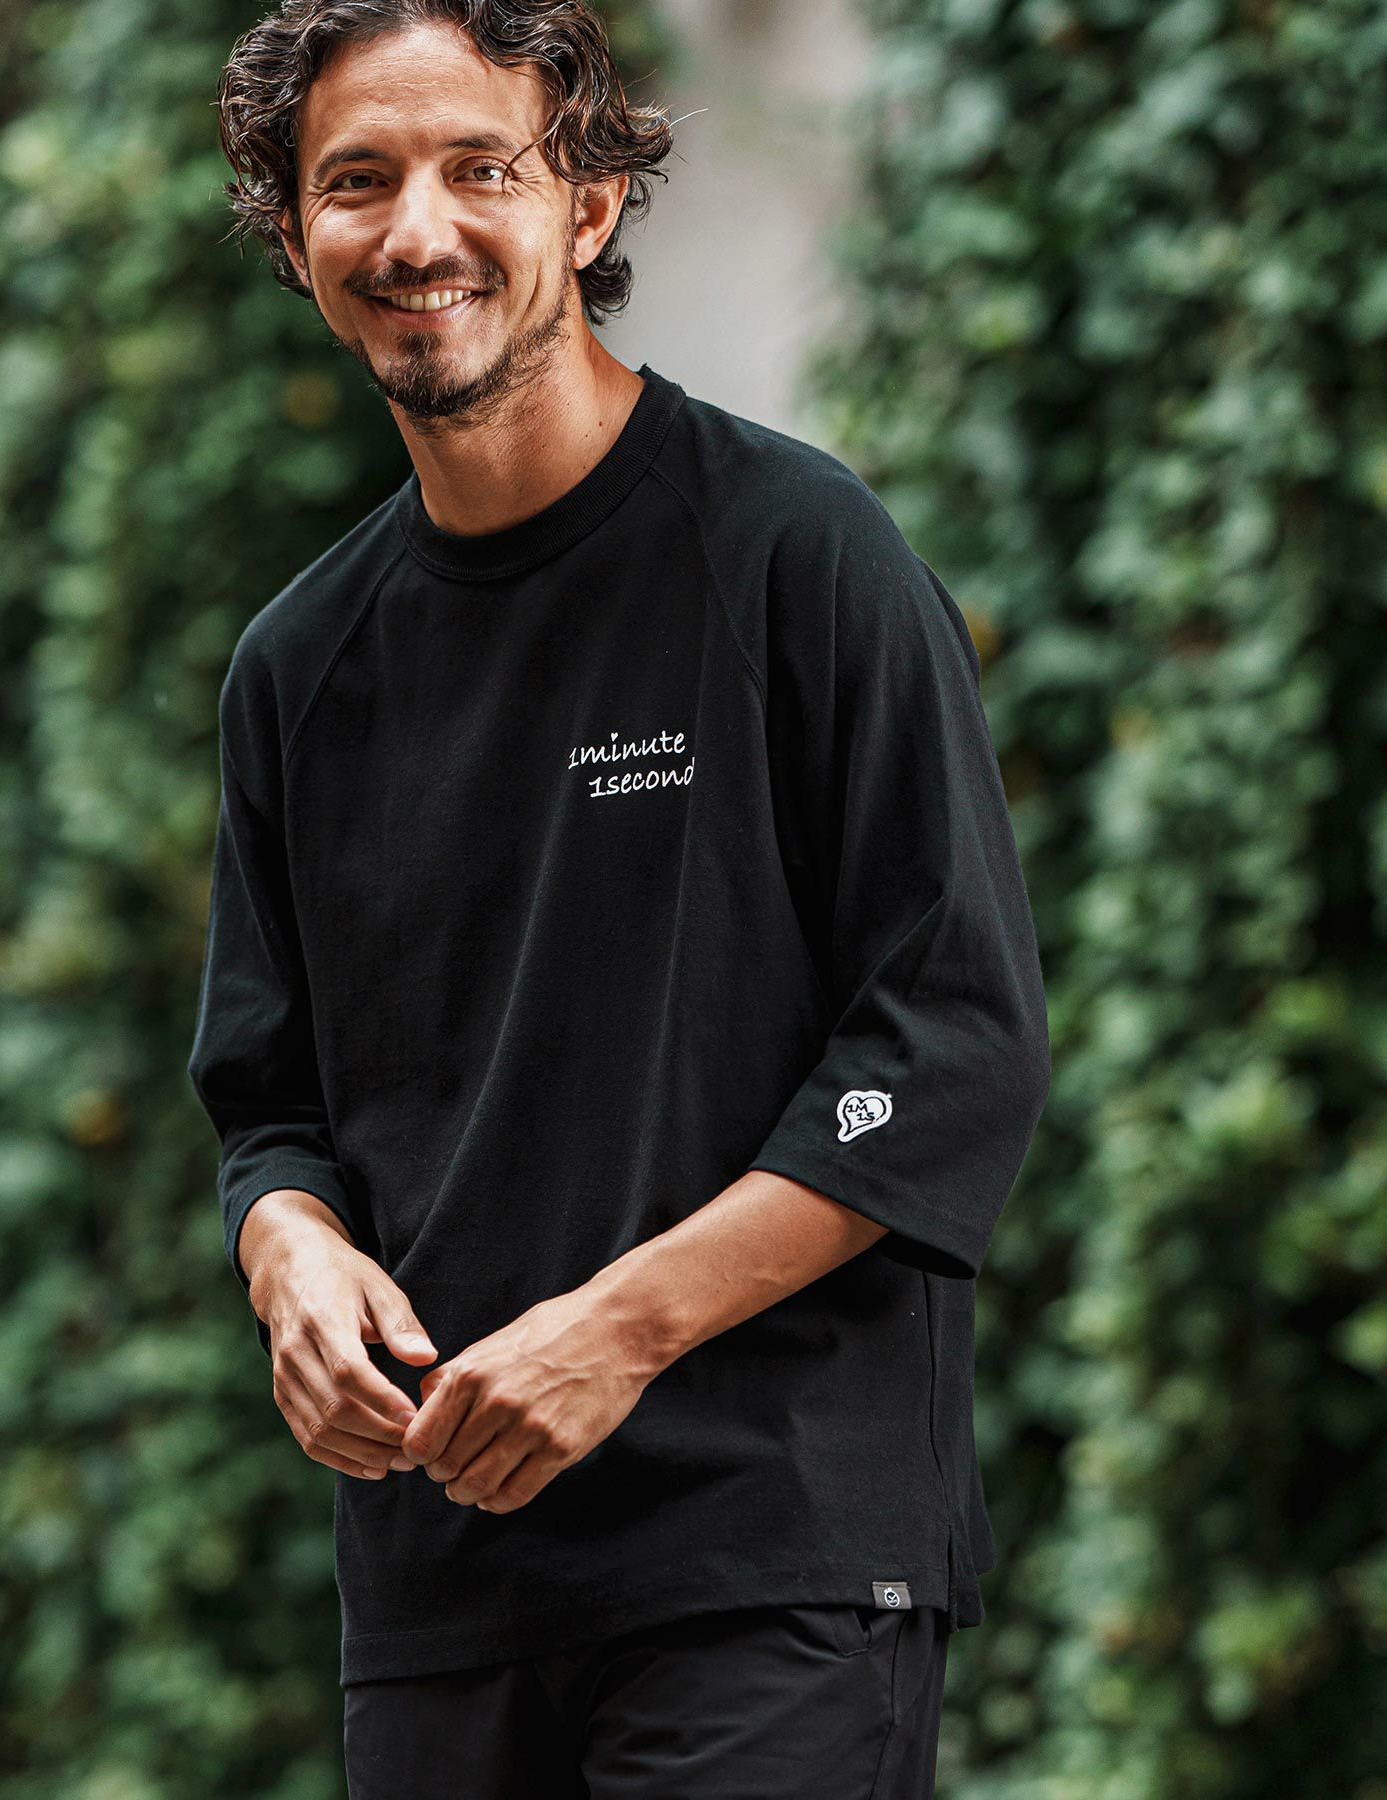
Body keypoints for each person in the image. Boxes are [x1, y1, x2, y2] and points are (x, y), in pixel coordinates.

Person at [188, 2, 1051, 1794]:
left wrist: (620, 1329)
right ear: (295, 235)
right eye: (357, 181)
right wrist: (294, 1256)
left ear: (587, 203)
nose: (417, 229)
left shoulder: (796, 555)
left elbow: (948, 1043)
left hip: (773, 1563)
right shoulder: (297, 668)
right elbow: (268, 1110)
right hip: (439, 1586)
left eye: (479, 167)